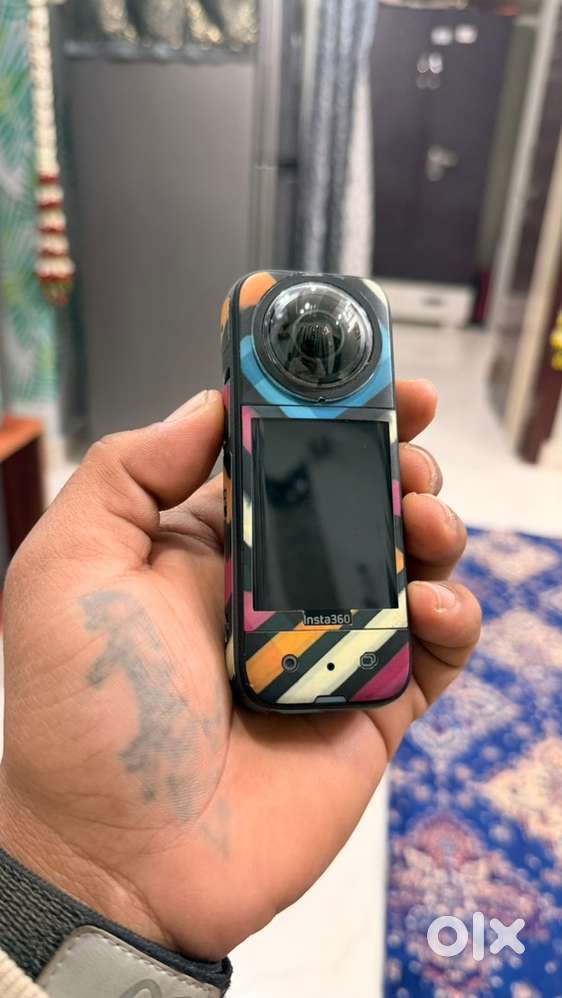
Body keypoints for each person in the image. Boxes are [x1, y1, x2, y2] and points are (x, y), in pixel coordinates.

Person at [0, 383, 481, 996]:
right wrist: (94, 872)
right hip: (327, 662)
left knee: (362, 472)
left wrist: (78, 886)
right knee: (360, 463)